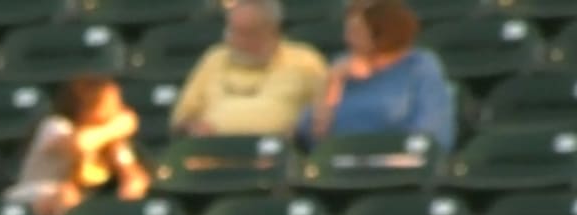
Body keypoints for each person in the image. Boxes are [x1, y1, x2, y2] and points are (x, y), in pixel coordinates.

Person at [298, 0, 455, 151]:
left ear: (383, 33)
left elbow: (434, 135)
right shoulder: (341, 67)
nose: (347, 39)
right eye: (348, 31)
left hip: (400, 167)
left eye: (356, 32)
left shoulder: (420, 66)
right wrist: (333, 83)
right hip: (342, 168)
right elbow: (311, 134)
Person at [171, 0, 329, 137]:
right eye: (233, 32)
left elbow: (325, 115)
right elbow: (181, 120)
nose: (236, 41)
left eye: (247, 33)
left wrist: (299, 132)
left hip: (278, 157)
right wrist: (194, 128)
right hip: (213, 155)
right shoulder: (214, 59)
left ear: (272, 31)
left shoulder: (305, 62)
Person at [5, 76, 151, 215]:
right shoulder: (55, 126)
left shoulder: (110, 140)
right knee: (67, 194)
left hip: (73, 206)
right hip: (30, 198)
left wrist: (128, 189)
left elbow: (135, 179)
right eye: (110, 104)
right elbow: (79, 145)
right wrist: (116, 128)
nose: (117, 110)